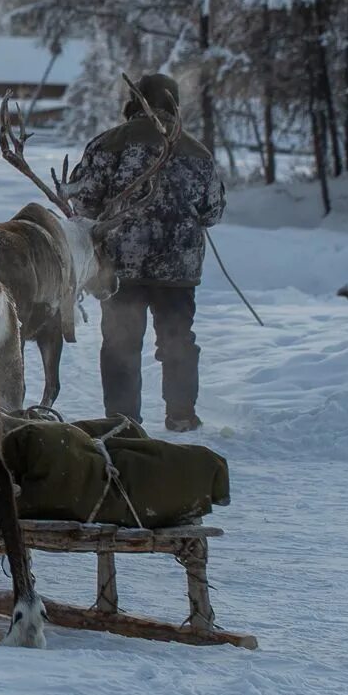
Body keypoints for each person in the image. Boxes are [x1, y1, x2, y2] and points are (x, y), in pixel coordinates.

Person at [64, 74, 225, 432]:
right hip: (178, 270)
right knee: (178, 339)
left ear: (133, 102)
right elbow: (212, 211)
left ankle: (123, 421)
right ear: (174, 104)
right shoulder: (197, 151)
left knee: (121, 342)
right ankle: (181, 415)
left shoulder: (107, 145)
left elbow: (83, 202)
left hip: (121, 267)